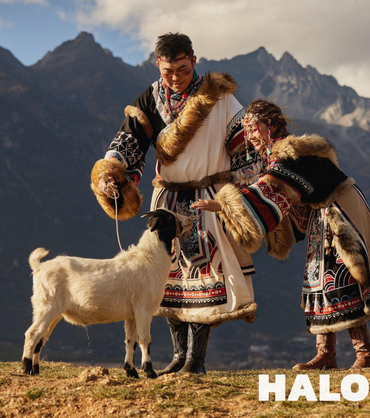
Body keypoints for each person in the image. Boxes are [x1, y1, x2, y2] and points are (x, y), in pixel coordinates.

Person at [89, 32, 259, 375]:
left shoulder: (220, 97)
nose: (176, 77)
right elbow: (128, 144)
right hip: (165, 197)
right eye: (168, 71)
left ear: (194, 61)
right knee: (163, 278)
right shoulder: (149, 100)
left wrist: (247, 193)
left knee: (203, 274)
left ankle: (197, 360)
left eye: (182, 69)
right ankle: (179, 356)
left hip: (206, 197)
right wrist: (112, 175)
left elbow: (246, 142)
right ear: (158, 66)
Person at [192, 100, 370, 369]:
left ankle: (366, 354)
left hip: (341, 211)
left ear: (270, 126)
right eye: (247, 130)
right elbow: (274, 189)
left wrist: (224, 204)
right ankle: (327, 354)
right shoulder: (277, 157)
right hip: (322, 212)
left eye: (253, 128)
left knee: (341, 278)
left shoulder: (288, 155)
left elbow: (268, 190)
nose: (249, 136)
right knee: (318, 278)